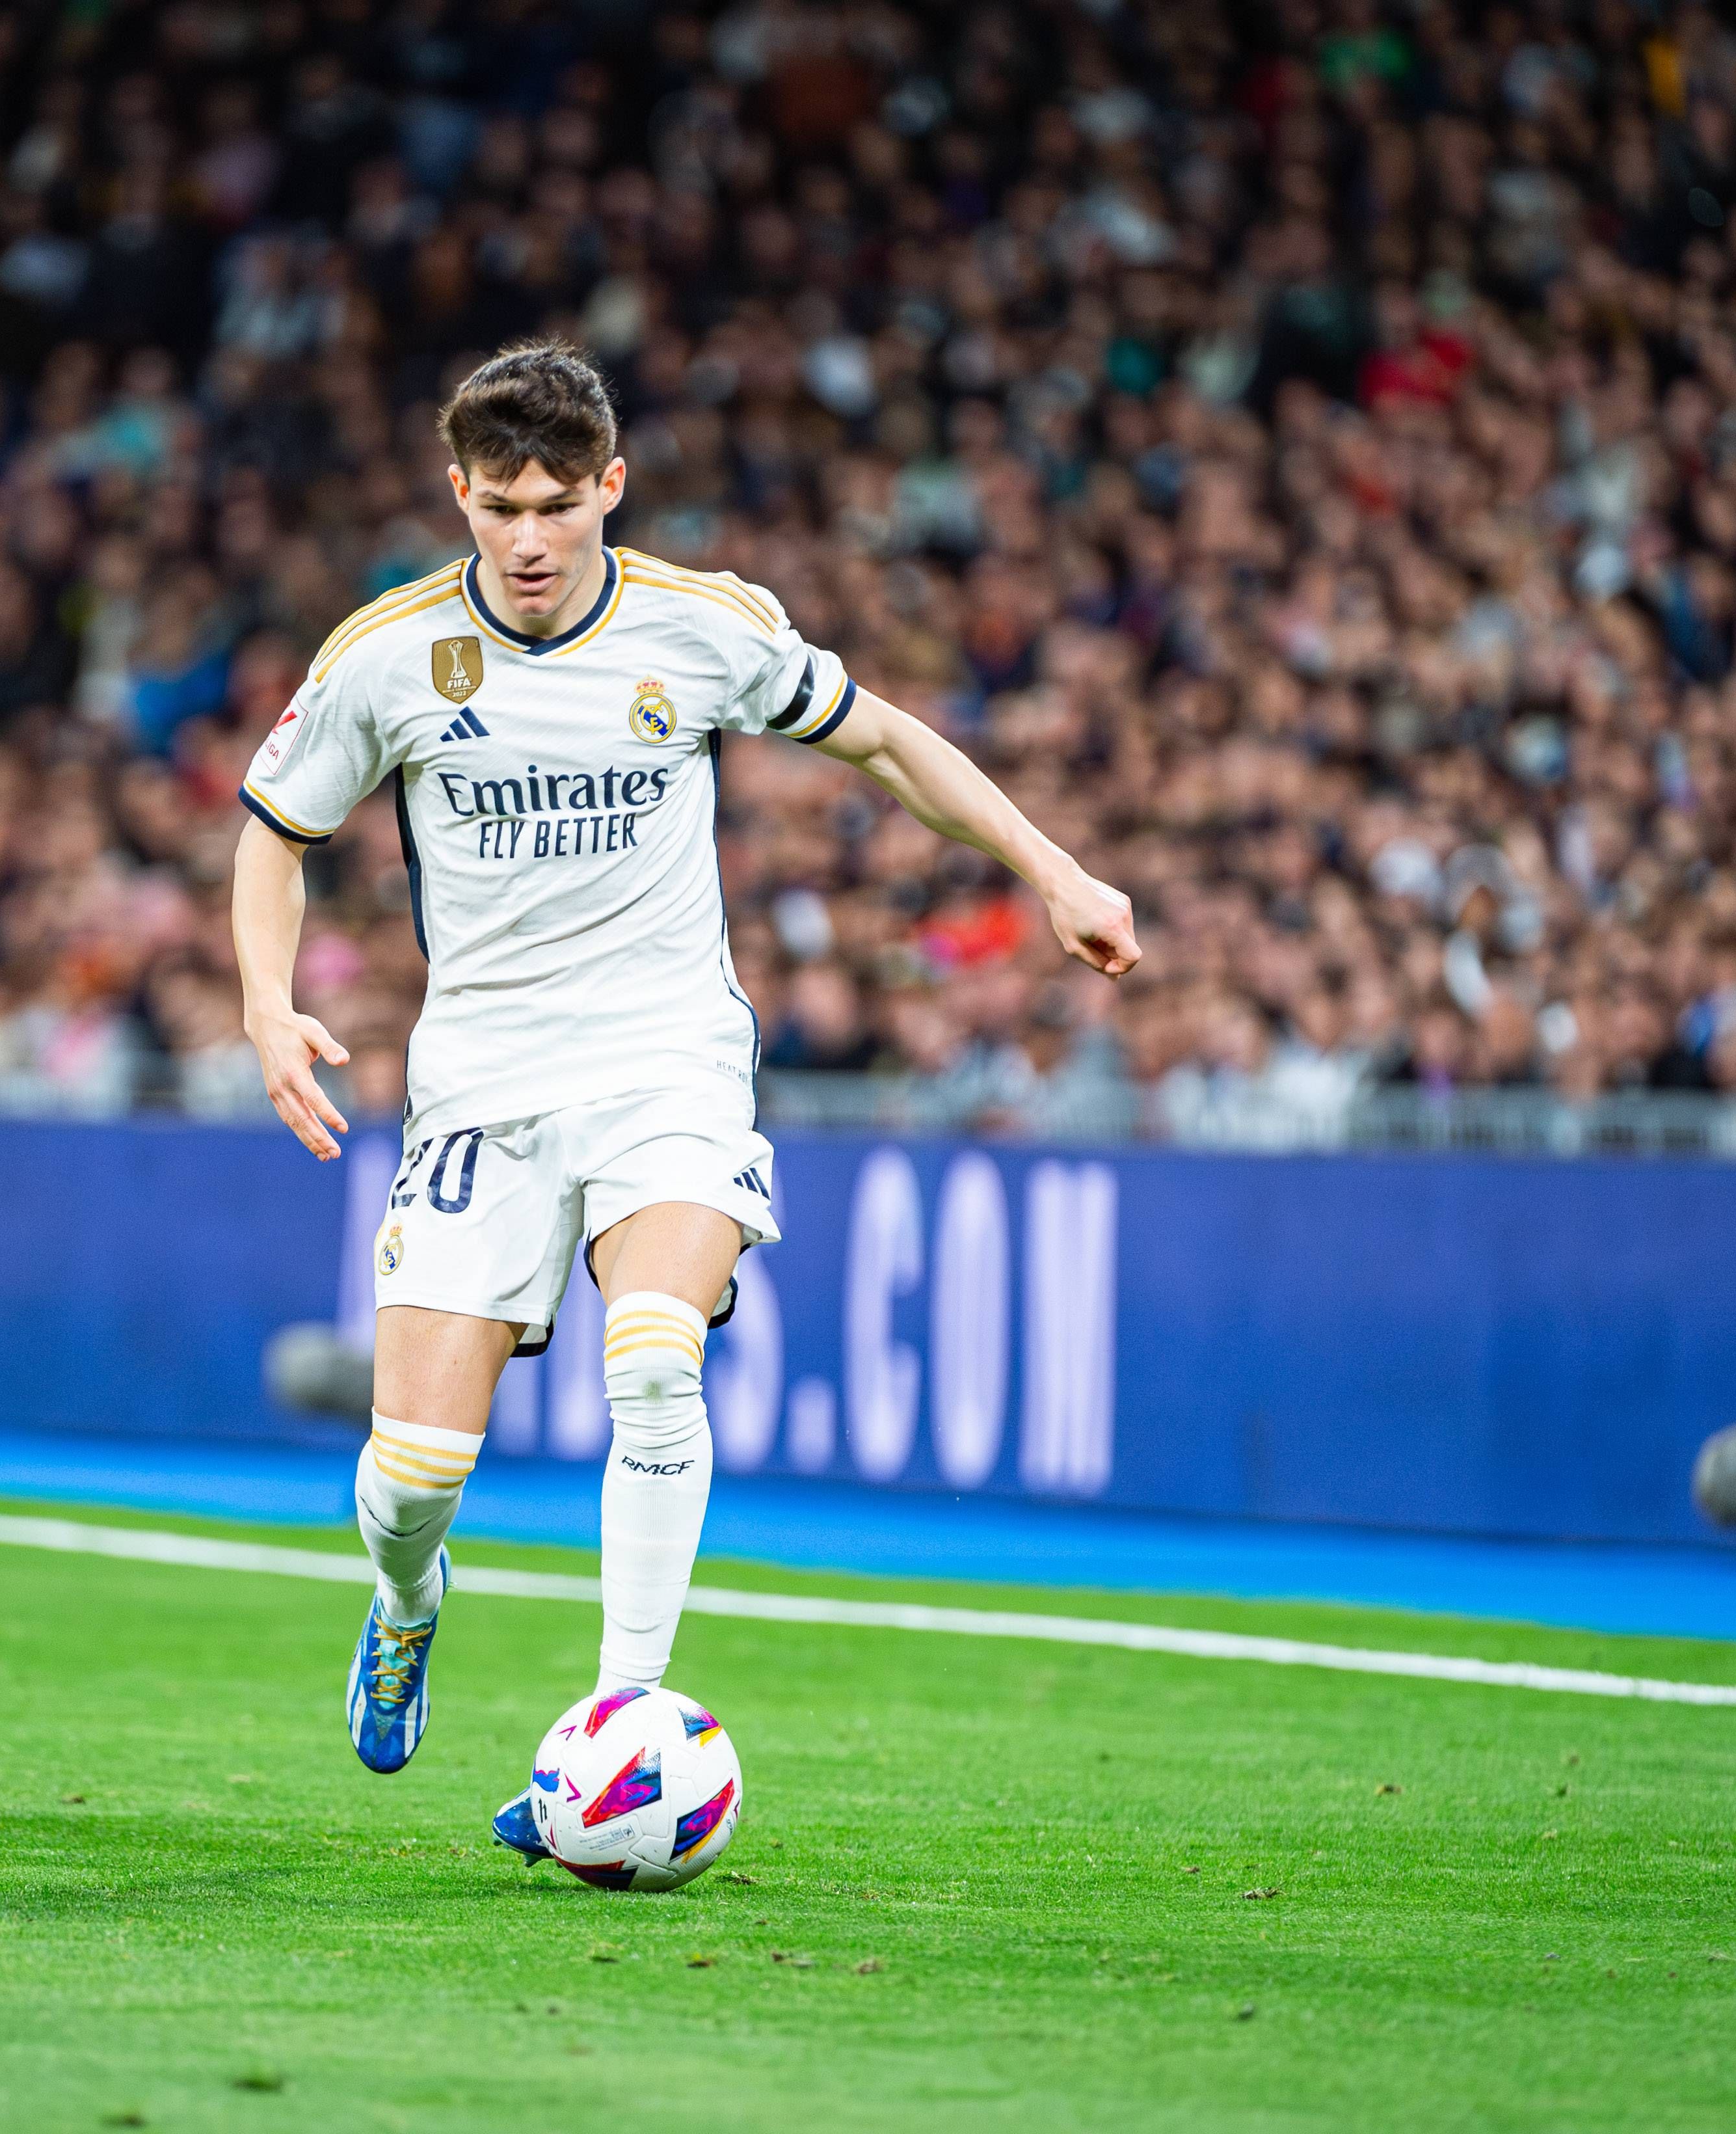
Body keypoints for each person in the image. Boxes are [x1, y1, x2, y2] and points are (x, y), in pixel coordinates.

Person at [230, 344, 1140, 1853]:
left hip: (668, 1057)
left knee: (654, 1358)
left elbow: (889, 738)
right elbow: (275, 831)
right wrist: (266, 1003)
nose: (528, 539)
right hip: (482, 1082)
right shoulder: (386, 657)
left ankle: (614, 1728)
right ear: (457, 492)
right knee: (413, 1478)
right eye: (500, 505)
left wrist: (1053, 870)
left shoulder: (699, 626)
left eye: (558, 505)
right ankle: (406, 1600)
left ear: (611, 489)